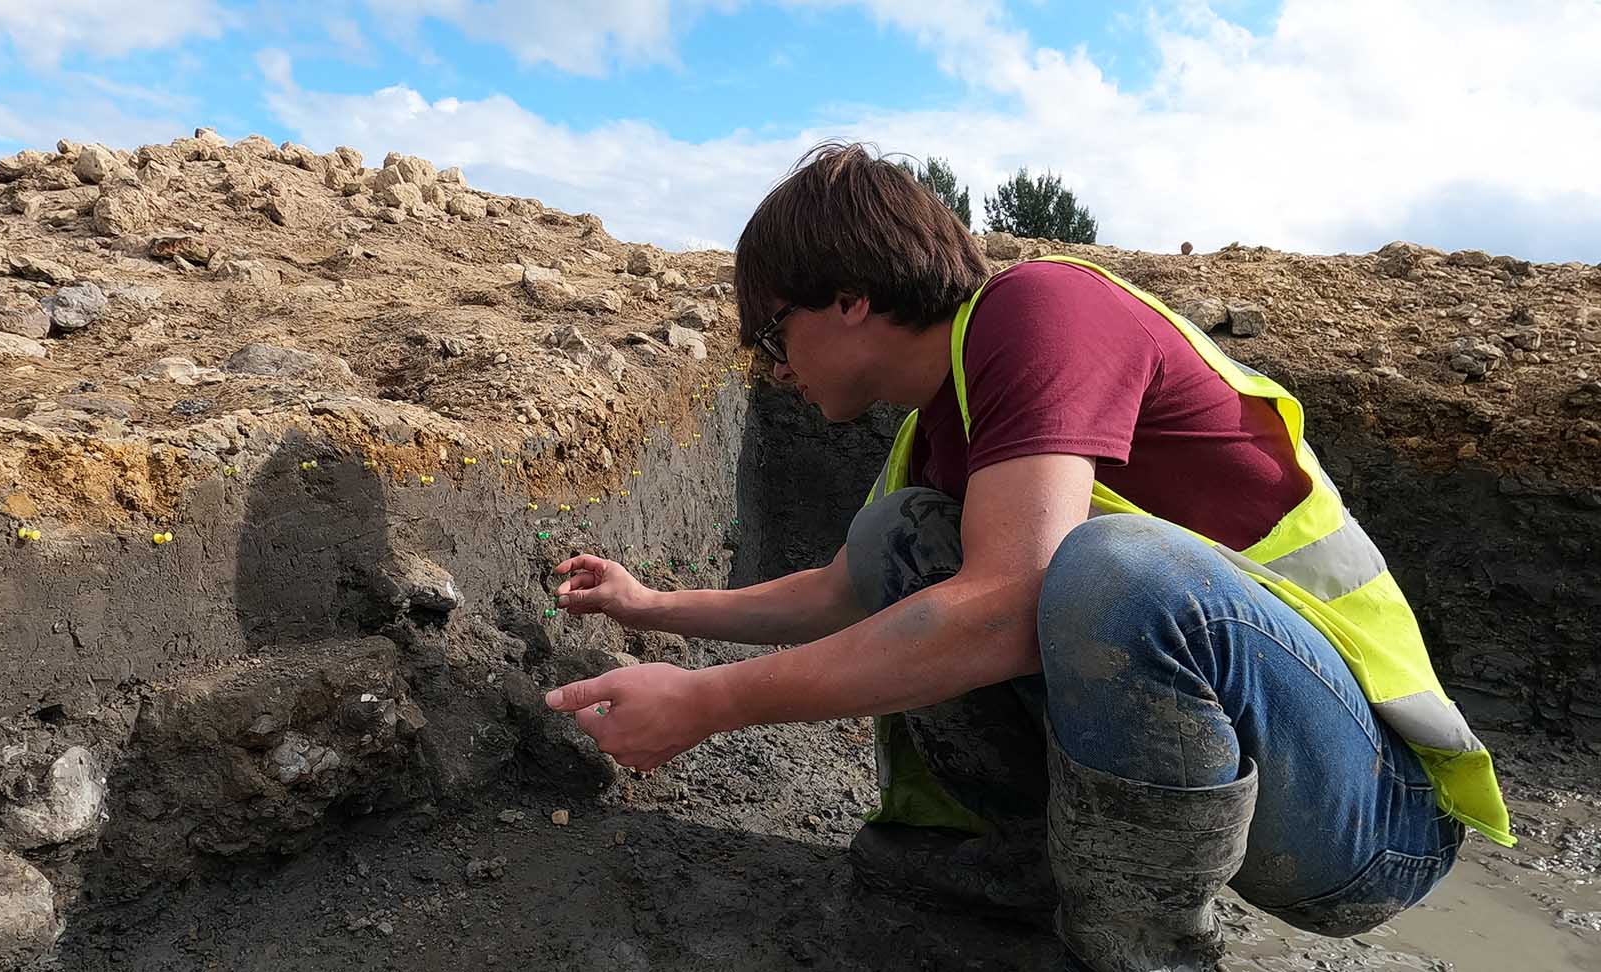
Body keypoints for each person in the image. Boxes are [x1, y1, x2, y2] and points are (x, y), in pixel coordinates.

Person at [541, 142, 1511, 972]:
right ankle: (998, 906)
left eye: (771, 332)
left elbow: (1007, 604)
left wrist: (708, 705)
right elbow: (842, 590)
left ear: (848, 298)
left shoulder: (1043, 311)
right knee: (901, 540)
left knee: (1108, 570)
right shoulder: (939, 429)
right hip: (1273, 768)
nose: (773, 369)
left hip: (1372, 816)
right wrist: (650, 604)